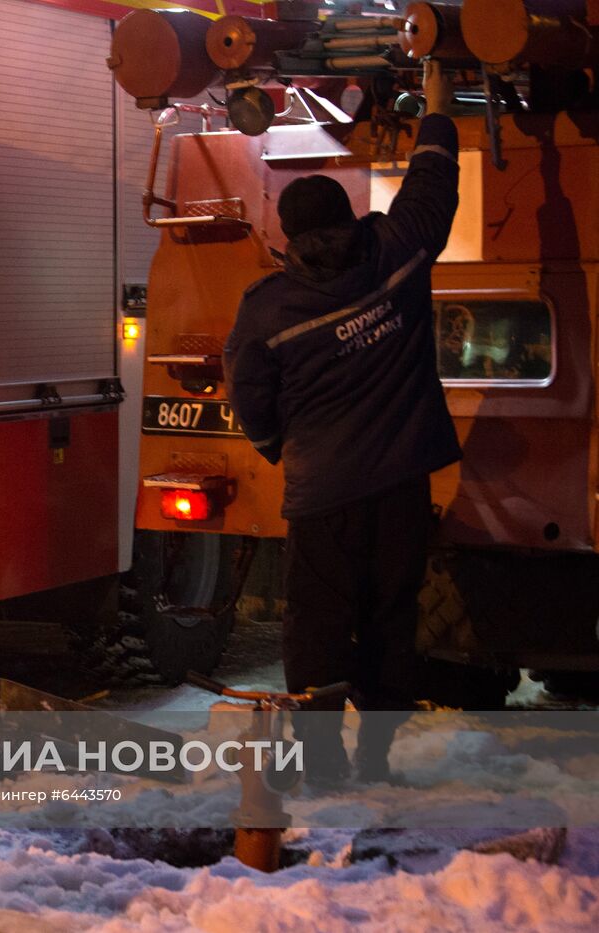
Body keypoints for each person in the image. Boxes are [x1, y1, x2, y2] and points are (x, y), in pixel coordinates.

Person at [223, 61, 461, 783]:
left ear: (288, 237)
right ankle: (377, 761)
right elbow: (432, 182)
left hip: (323, 495)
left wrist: (277, 449)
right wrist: (438, 102)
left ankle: (321, 763)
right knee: (392, 620)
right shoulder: (396, 252)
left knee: (318, 630)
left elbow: (251, 399)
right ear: (348, 220)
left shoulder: (267, 309)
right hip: (400, 486)